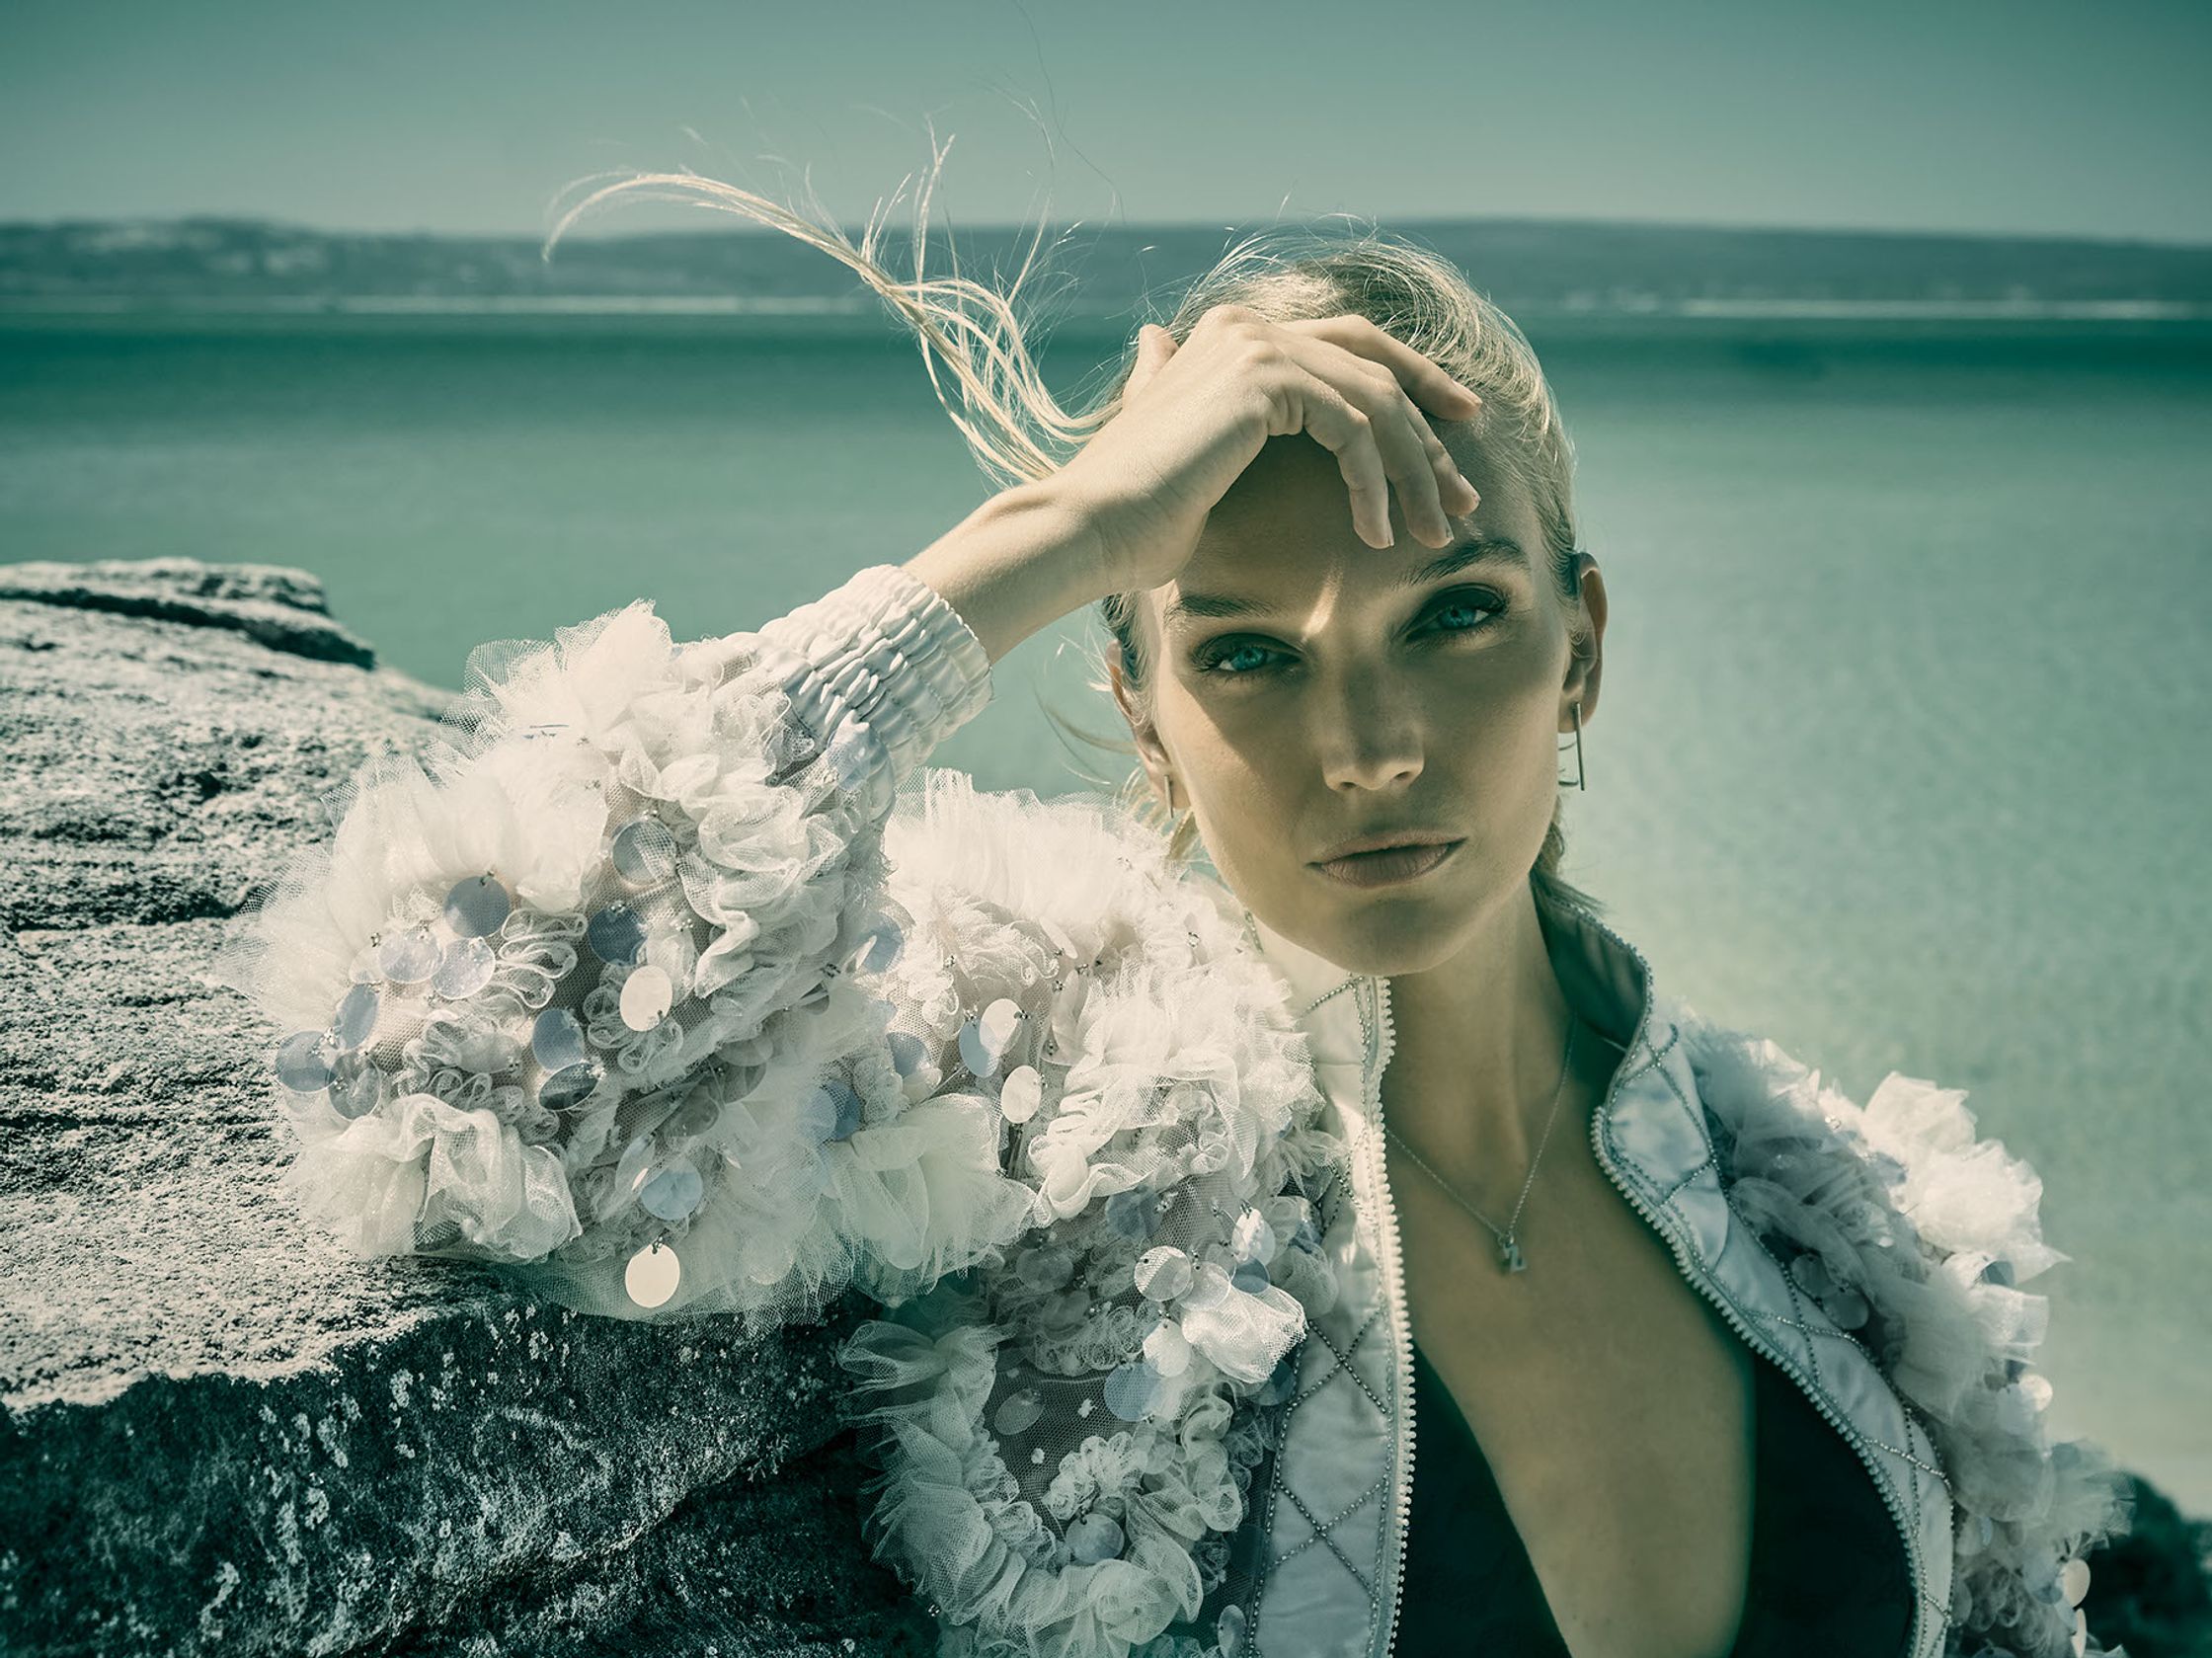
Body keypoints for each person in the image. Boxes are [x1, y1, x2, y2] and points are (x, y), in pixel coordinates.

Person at [209, 157, 2134, 1658]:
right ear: (1135, 700)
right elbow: (446, 1057)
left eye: (1455, 616)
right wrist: (1047, 541)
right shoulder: (1052, 1074)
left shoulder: (1832, 1218)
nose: (1367, 744)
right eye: (1243, 656)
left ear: (1583, 648)